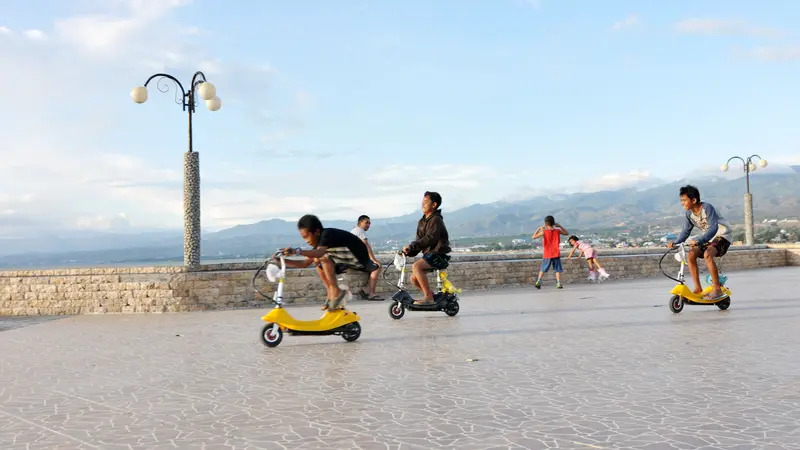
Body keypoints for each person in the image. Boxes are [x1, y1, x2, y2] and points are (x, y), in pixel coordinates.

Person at [280, 214, 378, 311]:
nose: (306, 241)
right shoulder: (320, 244)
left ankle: (336, 291)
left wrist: (297, 251)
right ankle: (331, 293)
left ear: (317, 232)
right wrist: (282, 261)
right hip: (347, 258)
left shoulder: (326, 234)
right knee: (316, 259)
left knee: (322, 256)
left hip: (359, 258)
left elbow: (319, 253)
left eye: (307, 237)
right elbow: (305, 263)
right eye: (303, 238)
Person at [667, 184, 733, 300]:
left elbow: (714, 228)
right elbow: (685, 231)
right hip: (709, 238)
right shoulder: (689, 214)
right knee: (691, 255)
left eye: (684, 200)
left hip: (722, 236)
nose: (682, 203)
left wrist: (699, 240)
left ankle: (716, 288)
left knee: (708, 253)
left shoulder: (707, 208)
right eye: (681, 200)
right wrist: (676, 243)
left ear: (694, 200)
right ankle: (698, 288)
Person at [401, 191, 452, 305]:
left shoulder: (436, 220)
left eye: (425, 202)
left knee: (416, 266)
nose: (422, 205)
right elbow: (420, 241)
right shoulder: (421, 222)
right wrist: (410, 251)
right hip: (429, 255)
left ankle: (428, 297)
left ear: (434, 205)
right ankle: (432, 296)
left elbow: (430, 238)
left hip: (439, 254)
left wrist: (412, 245)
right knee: (413, 278)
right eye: (422, 202)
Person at [350, 214, 383, 301]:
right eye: (366, 223)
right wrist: (374, 260)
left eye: (369, 223)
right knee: (377, 267)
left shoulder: (354, 230)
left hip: (354, 259)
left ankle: (365, 290)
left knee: (372, 267)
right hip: (356, 260)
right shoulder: (359, 231)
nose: (368, 225)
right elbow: (366, 246)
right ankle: (371, 294)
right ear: (360, 223)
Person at [532, 215, 569, 289]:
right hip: (556, 253)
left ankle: (538, 281)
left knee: (543, 268)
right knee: (557, 269)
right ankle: (558, 283)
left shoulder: (544, 232)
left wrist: (539, 229)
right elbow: (566, 233)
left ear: (545, 223)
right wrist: (559, 226)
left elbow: (534, 237)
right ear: (553, 223)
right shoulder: (557, 231)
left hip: (547, 253)